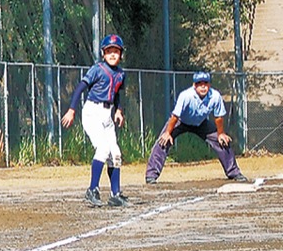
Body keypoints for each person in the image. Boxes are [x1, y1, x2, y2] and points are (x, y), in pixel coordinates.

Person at [61, 34, 130, 207]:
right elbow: (80, 88)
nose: (112, 54)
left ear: (121, 54)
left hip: (107, 114)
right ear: (103, 54)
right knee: (103, 149)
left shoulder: (121, 74)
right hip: (92, 111)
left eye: (116, 51)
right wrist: (72, 109)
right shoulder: (98, 69)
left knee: (115, 153)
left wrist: (119, 110)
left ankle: (115, 194)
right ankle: (92, 189)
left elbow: (117, 94)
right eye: (109, 51)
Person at [145, 71, 248, 185]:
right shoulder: (186, 95)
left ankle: (234, 172)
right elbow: (175, 116)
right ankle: (151, 175)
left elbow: (218, 117)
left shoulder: (215, 96)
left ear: (209, 84)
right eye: (199, 84)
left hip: (201, 123)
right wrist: (168, 133)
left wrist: (221, 133)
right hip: (181, 121)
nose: (203, 87)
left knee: (222, 141)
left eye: (205, 83)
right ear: (194, 85)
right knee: (163, 141)